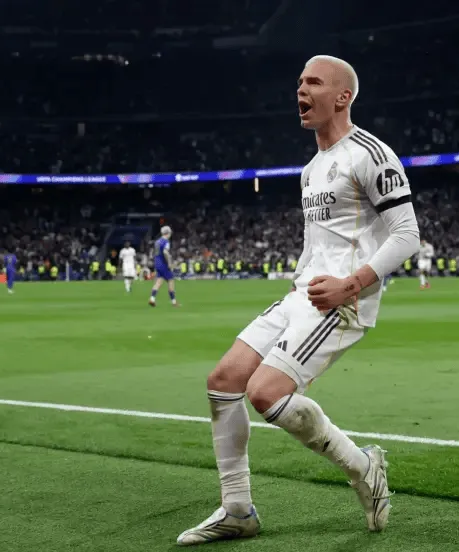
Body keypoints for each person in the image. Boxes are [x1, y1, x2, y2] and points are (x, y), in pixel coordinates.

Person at [176, 55, 420, 546]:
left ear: (343, 97)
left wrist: (350, 285)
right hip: (304, 295)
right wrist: (298, 282)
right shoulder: (310, 170)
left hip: (342, 302)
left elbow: (407, 234)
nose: (301, 90)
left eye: (313, 82)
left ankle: (363, 467)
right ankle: (237, 510)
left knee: (265, 392)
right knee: (223, 381)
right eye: (299, 82)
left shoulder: (370, 153)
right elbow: (316, 241)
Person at [149, 226, 178, 307]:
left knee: (158, 282)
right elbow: (165, 252)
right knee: (171, 281)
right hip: (163, 264)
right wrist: (169, 263)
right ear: (168, 233)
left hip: (157, 263)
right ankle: (174, 302)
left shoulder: (157, 241)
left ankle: (152, 299)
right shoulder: (166, 241)